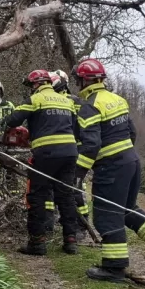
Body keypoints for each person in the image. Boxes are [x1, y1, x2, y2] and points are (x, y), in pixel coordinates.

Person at [73, 58, 145, 283]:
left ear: (83, 81)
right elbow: (131, 132)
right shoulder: (117, 99)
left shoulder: (89, 106)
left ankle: (114, 268)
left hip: (111, 167)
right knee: (128, 209)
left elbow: (91, 145)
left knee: (106, 216)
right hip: (131, 161)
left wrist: (78, 173)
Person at [6, 69, 81, 256]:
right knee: (66, 196)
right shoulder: (67, 101)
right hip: (70, 153)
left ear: (36, 84)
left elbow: (12, 120)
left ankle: (37, 243)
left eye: (31, 86)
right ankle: (70, 240)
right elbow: (77, 131)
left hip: (46, 154)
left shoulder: (35, 99)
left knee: (37, 196)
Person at [50, 70, 92, 229]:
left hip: (75, 149)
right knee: (62, 187)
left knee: (75, 187)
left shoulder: (74, 101)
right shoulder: (67, 100)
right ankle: (65, 219)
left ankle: (82, 224)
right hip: (63, 149)